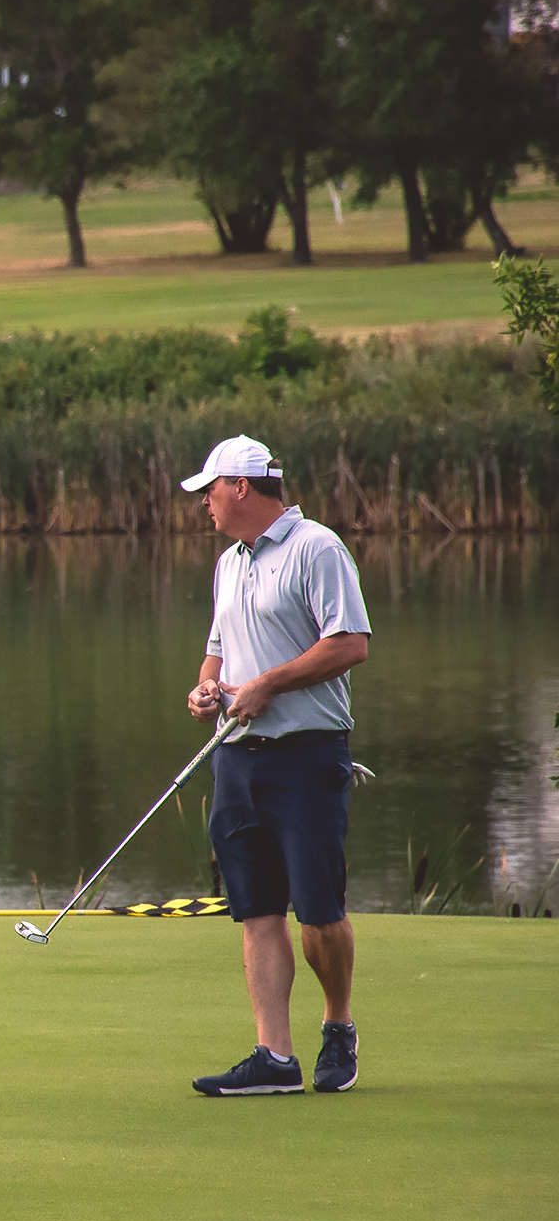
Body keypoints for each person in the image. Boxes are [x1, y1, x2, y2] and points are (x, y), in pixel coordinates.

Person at [179, 437, 371, 1096]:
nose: (204, 501)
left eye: (210, 488)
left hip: (306, 755)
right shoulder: (228, 563)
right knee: (257, 909)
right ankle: (274, 1057)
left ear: (241, 486)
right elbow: (216, 651)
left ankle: (338, 1025)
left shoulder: (316, 547)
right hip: (236, 760)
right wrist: (208, 689)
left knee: (318, 912)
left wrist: (270, 685)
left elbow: (350, 644)